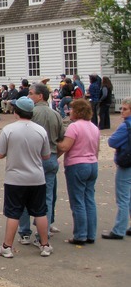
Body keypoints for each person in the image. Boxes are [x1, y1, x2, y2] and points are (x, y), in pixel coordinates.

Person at [0, 97, 53, 258]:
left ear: (16, 111)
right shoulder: (40, 130)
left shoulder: (9, 129)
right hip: (36, 177)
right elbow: (46, 155)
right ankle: (45, 245)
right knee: (40, 212)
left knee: (13, 212)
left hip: (15, 178)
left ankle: (7, 246)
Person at [17, 83, 65, 245]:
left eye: (31, 94)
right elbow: (61, 139)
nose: (29, 96)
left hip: (32, 158)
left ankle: (24, 232)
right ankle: (44, 232)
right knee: (48, 196)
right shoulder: (56, 114)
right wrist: (55, 155)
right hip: (50, 157)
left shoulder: (31, 113)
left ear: (40, 96)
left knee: (24, 195)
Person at [56, 98, 100, 245]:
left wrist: (56, 142)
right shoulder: (94, 127)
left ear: (78, 111)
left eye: (72, 109)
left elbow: (65, 147)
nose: (70, 111)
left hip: (77, 164)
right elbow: (97, 148)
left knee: (77, 201)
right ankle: (91, 233)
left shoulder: (74, 127)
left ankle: (80, 234)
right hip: (92, 163)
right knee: (89, 199)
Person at [102, 98, 131, 240]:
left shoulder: (126, 126)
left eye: (125, 109)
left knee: (123, 197)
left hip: (126, 162)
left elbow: (112, 141)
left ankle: (119, 229)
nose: (122, 111)